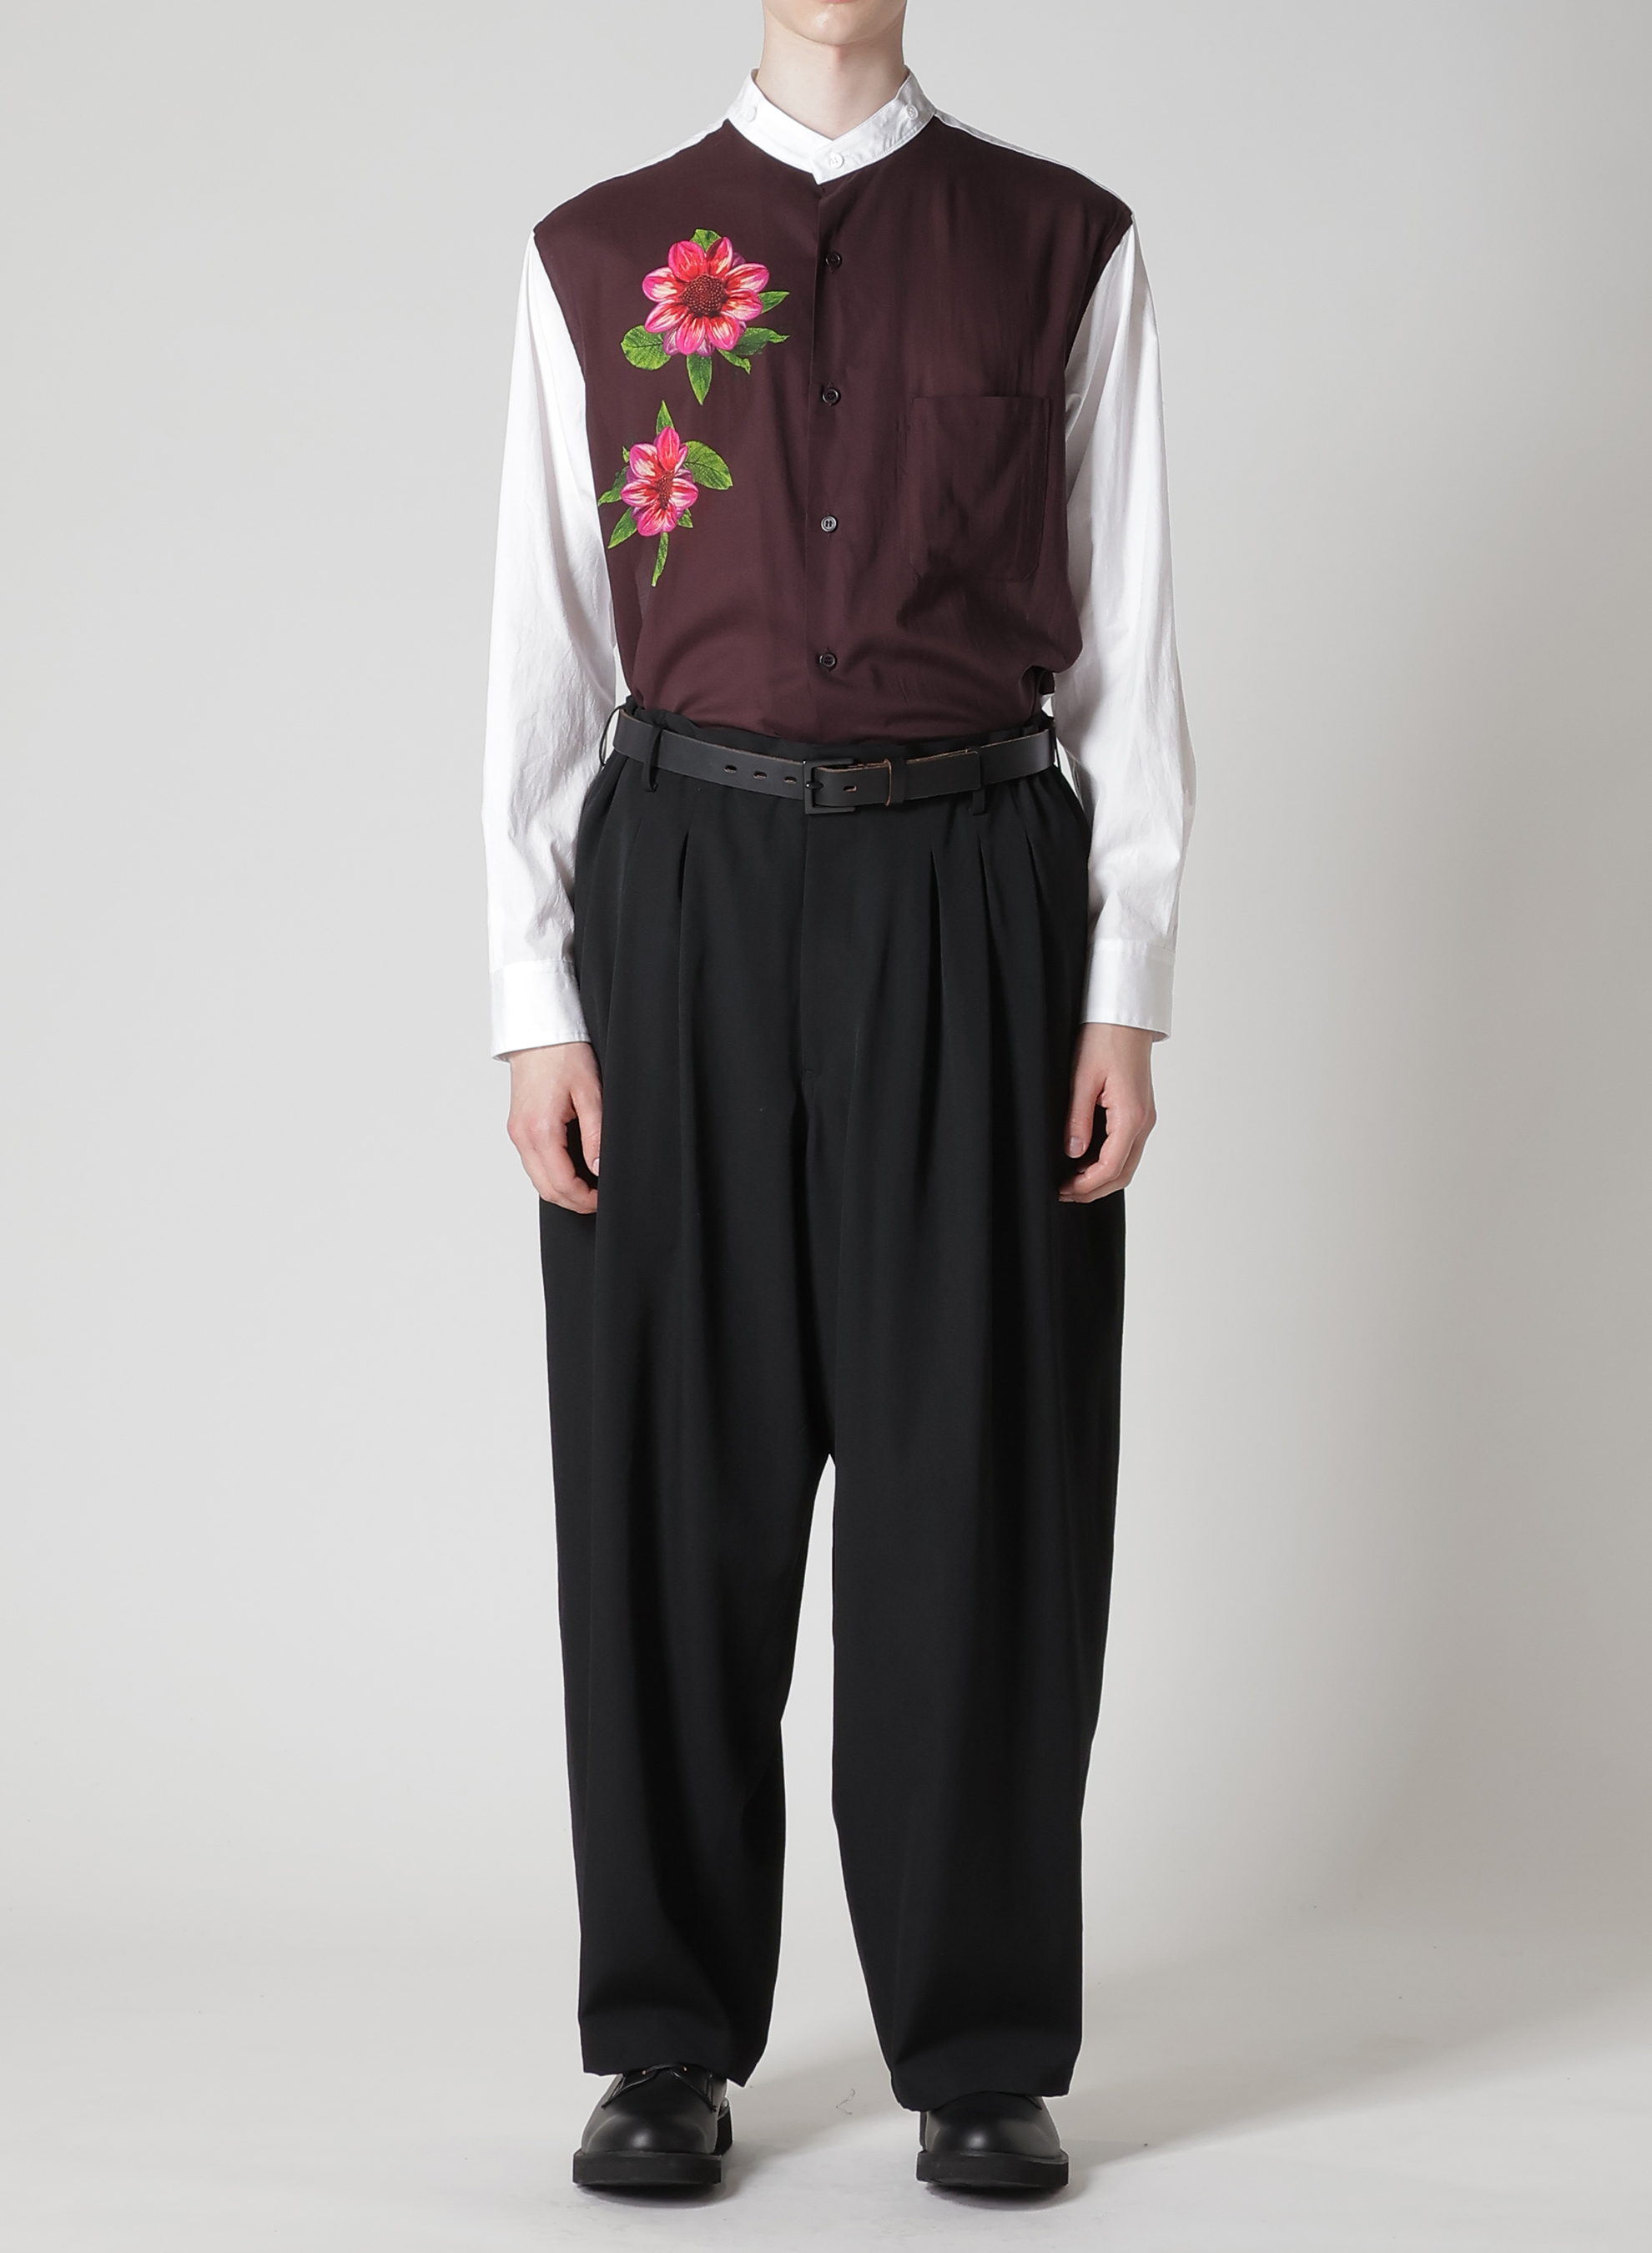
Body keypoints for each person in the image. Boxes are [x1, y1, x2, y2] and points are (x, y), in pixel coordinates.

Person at [481, 0, 1194, 2197]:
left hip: (973, 886)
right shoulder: (600, 254)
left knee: (976, 1480)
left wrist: (1125, 981)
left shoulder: (1062, 244)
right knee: (666, 1484)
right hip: (680, 886)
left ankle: (977, 2041)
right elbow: (546, 641)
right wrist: (532, 992)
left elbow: (1129, 634)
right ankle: (662, 2039)